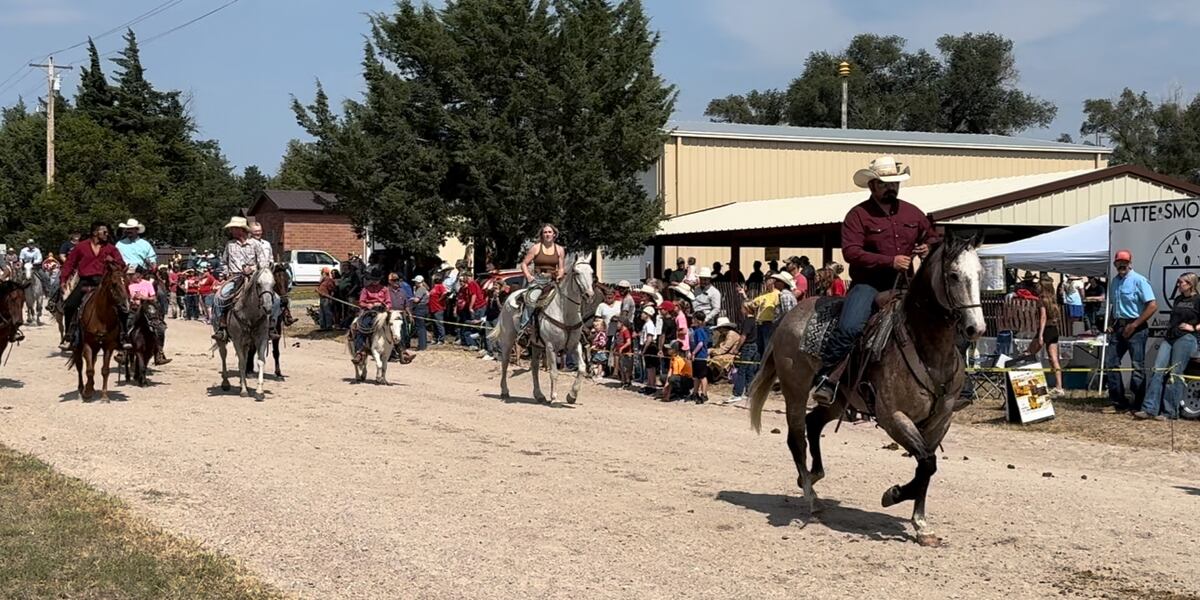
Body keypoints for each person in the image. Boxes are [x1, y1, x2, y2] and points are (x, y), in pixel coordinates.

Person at [813, 156, 937, 404]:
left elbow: (932, 236)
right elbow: (851, 252)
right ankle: (827, 378)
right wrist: (889, 261)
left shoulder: (913, 212)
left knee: (940, 320)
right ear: (872, 186)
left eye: (895, 184)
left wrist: (927, 247)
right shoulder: (858, 215)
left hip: (905, 284)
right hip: (868, 284)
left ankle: (947, 382)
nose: (892, 188)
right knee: (850, 327)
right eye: (885, 184)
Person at [1136, 272, 1200, 420]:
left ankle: (1169, 412)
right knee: (1158, 370)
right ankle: (1149, 408)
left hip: (1186, 338)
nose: (1178, 285)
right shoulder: (1178, 299)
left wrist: (1194, 327)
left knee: (1175, 374)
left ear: (1190, 284)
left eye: (1181, 282)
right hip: (1170, 337)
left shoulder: (1198, 300)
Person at [60, 221, 128, 350]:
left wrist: (112, 260)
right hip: (85, 280)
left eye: (107, 232)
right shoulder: (81, 247)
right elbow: (69, 264)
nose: (107, 234)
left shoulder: (111, 248)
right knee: (70, 305)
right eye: (104, 232)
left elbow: (122, 265)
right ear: (95, 232)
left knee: (121, 305)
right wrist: (63, 280)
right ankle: (69, 335)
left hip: (105, 282)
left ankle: (123, 336)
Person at [1104, 249, 1157, 413]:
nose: (1122, 265)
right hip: (1119, 327)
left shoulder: (1139, 280)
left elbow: (1153, 305)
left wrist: (1134, 325)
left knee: (1137, 366)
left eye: (1125, 263)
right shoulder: (1114, 282)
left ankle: (1138, 404)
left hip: (1137, 328)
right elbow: (1115, 306)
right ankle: (1119, 402)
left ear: (1130, 263)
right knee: (1110, 363)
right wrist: (1112, 323)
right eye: (1119, 263)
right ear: (1115, 264)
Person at [211, 216, 276, 343]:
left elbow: (263, 263)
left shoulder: (256, 244)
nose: (231, 231)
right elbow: (224, 262)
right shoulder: (229, 245)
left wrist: (251, 269)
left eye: (233, 228)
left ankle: (271, 326)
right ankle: (222, 327)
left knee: (275, 299)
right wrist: (225, 273)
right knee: (219, 297)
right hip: (234, 278)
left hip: (253, 278)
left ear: (241, 230)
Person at [518, 224, 566, 340]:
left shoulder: (559, 249)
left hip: (553, 280)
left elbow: (561, 267)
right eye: (545, 232)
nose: (547, 234)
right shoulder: (536, 248)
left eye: (550, 232)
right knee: (532, 300)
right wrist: (529, 276)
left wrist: (560, 274)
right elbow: (524, 264)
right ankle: (523, 328)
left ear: (554, 234)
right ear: (542, 234)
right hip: (538, 279)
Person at [125, 266, 171, 365]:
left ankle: (159, 352)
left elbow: (153, 298)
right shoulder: (128, 285)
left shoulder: (147, 284)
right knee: (126, 324)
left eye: (136, 274)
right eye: (132, 275)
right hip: (134, 309)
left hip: (147, 310)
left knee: (160, 329)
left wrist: (143, 297)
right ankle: (123, 350)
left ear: (140, 275)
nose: (134, 276)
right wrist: (132, 300)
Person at [350, 267, 392, 365]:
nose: (375, 281)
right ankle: (359, 351)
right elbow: (361, 302)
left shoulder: (385, 289)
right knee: (362, 327)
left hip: (382, 311)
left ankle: (401, 350)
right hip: (369, 312)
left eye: (377, 280)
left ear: (380, 279)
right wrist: (368, 305)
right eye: (373, 279)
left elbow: (389, 302)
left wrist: (386, 306)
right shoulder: (366, 289)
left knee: (395, 325)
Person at [1033, 277, 1063, 396]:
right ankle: (1059, 386)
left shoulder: (1041, 299)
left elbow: (1043, 317)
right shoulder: (1053, 299)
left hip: (1045, 329)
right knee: (1053, 359)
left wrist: (1040, 335)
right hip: (1053, 329)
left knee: (1028, 353)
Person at [727, 302, 759, 404]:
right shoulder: (755, 321)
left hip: (747, 347)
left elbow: (743, 336)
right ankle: (749, 392)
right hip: (754, 346)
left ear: (746, 309)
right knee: (749, 370)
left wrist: (737, 348)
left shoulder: (747, 321)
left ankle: (737, 393)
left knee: (742, 370)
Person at [741, 280, 779, 354]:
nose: (767, 284)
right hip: (759, 323)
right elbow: (752, 303)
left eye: (769, 281)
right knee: (760, 346)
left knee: (767, 345)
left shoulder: (777, 294)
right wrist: (744, 295)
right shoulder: (763, 294)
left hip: (769, 323)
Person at [706, 317, 740, 383]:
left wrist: (711, 351)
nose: (718, 330)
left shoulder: (731, 334)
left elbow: (724, 349)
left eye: (719, 328)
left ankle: (724, 376)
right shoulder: (723, 335)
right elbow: (717, 346)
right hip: (725, 353)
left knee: (716, 359)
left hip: (732, 354)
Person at [689, 312, 711, 403]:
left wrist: (693, 353)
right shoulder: (699, 330)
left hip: (700, 356)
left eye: (693, 319)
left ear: (697, 320)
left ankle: (704, 394)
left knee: (702, 376)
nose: (692, 320)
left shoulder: (699, 331)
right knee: (696, 376)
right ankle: (695, 393)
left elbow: (701, 343)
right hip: (698, 357)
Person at [639, 305, 661, 395]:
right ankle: (649, 384)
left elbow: (649, 338)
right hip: (647, 346)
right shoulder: (647, 324)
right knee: (648, 367)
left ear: (647, 314)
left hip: (650, 347)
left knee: (651, 367)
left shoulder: (649, 324)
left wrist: (644, 349)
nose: (641, 314)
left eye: (643, 313)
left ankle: (652, 386)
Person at [411, 275, 430, 350]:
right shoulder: (424, 288)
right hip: (424, 308)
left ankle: (422, 346)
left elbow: (416, 300)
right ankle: (423, 345)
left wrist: (410, 298)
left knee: (420, 328)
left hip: (420, 309)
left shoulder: (420, 289)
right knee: (422, 327)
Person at [614, 319, 634, 387]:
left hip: (626, 353)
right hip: (620, 353)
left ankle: (627, 381)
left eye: (618, 323)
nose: (617, 325)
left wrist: (622, 348)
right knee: (621, 367)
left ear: (622, 323)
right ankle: (622, 381)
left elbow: (629, 342)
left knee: (626, 368)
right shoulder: (619, 332)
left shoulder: (626, 331)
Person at [428, 275, 448, 344]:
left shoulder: (440, 286)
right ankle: (435, 338)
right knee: (434, 325)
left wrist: (440, 299)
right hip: (432, 308)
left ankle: (441, 339)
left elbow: (445, 293)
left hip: (438, 308)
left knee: (439, 324)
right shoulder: (434, 287)